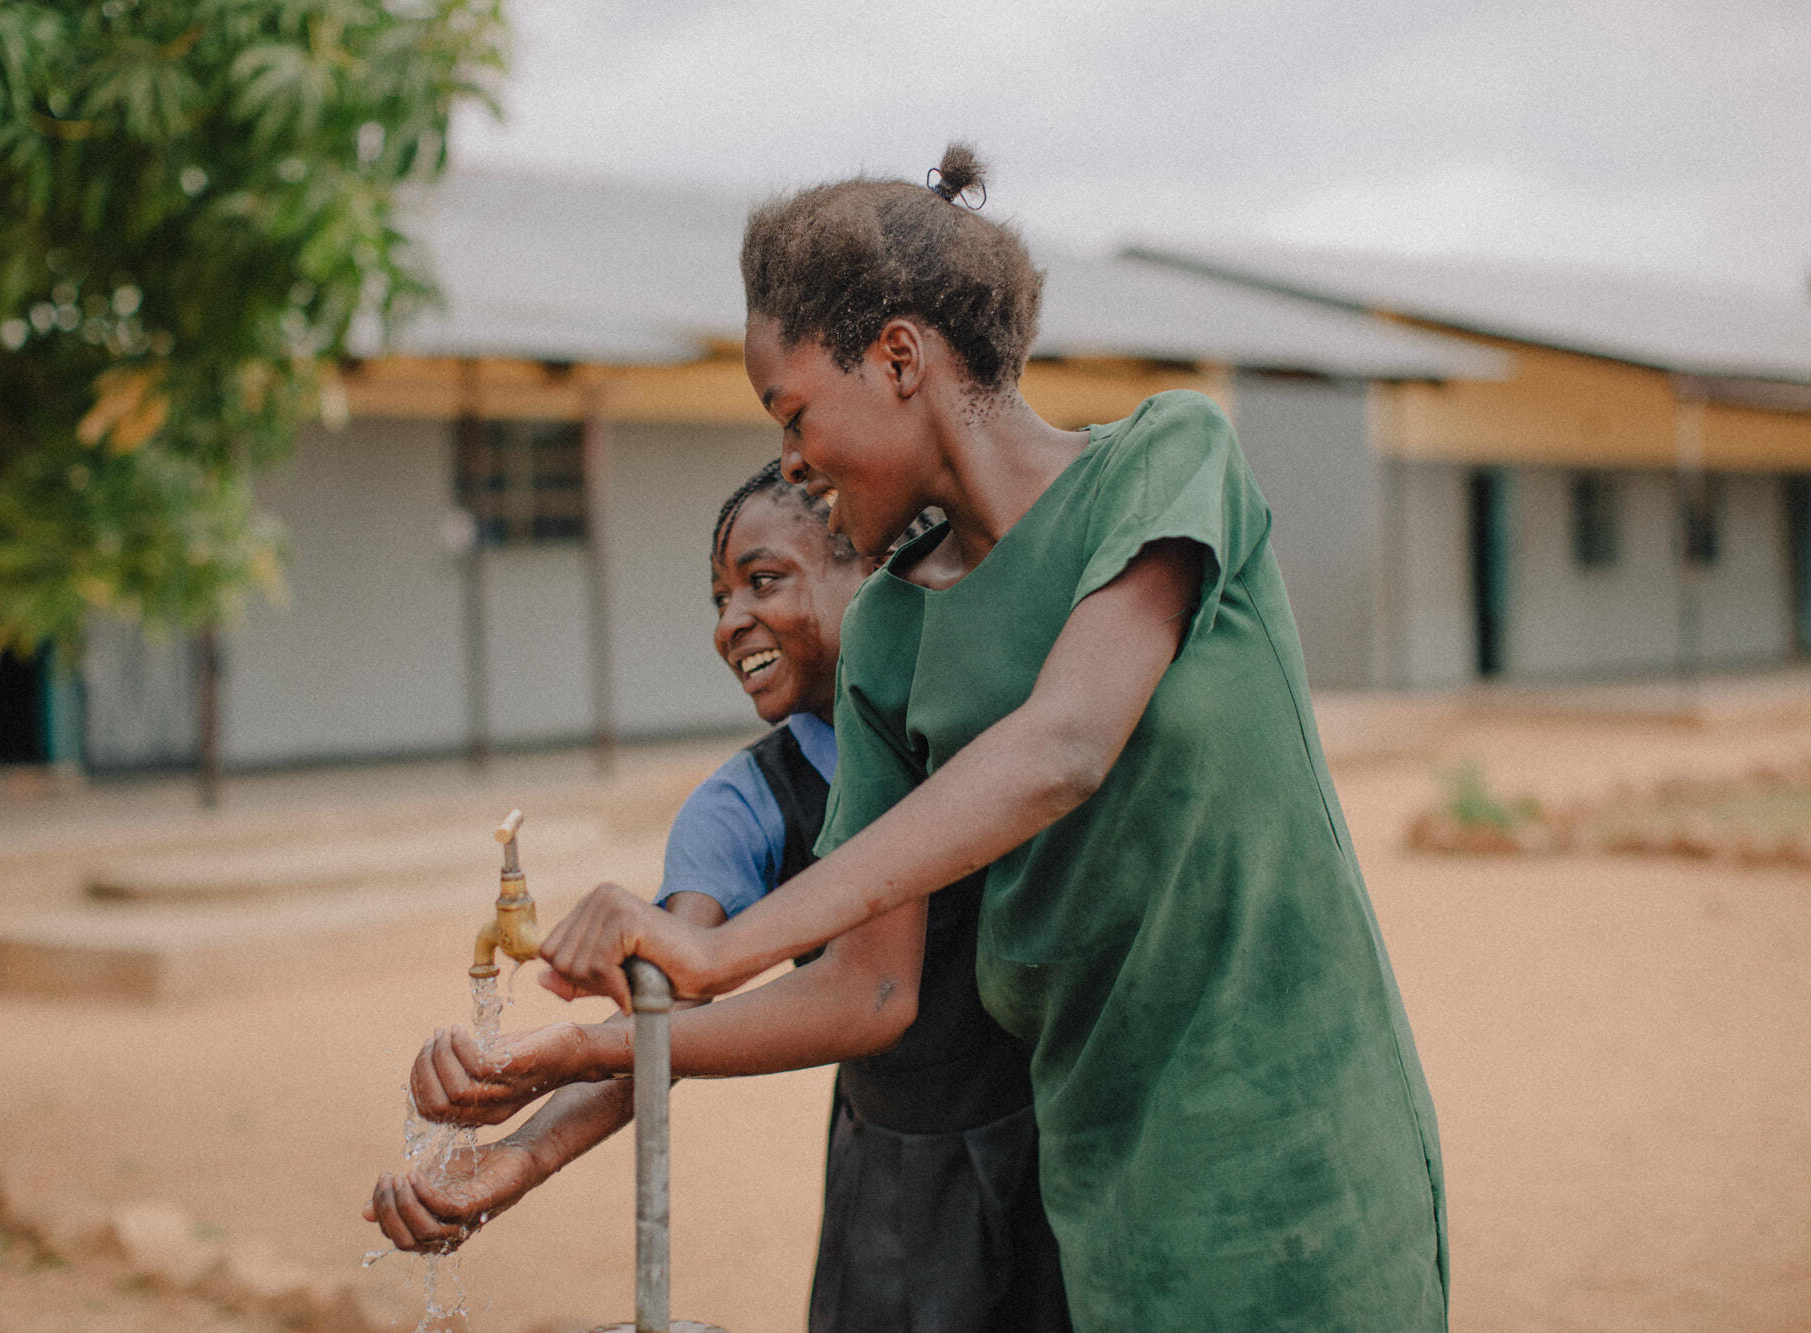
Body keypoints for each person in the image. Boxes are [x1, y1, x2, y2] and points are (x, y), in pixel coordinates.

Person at [532, 145, 1450, 1330]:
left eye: (793, 410)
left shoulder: (1164, 462)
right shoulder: (889, 635)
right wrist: (602, 1048)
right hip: (1101, 1193)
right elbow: (867, 990)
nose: (792, 460)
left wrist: (722, 948)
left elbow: (1061, 747)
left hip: (1295, 1151)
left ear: (899, 355)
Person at [366, 462, 1070, 1332]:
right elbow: (667, 1003)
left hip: (1066, 1147)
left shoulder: (1000, 729)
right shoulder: (743, 806)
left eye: (763, 581)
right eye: (719, 599)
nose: (731, 622)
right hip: (898, 1198)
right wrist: (522, 1154)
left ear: (876, 567)